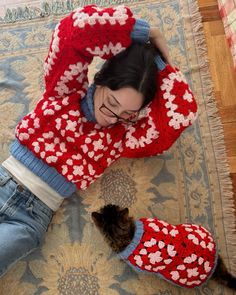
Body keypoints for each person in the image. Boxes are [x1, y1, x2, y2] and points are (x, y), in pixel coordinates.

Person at [0, 4, 197, 277]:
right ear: (101, 80)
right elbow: (74, 31)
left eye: (127, 113)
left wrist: (159, 65)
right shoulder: (64, 91)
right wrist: (146, 33)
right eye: (110, 103)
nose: (113, 117)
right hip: (4, 181)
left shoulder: (123, 138)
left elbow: (181, 116)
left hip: (29, 220)